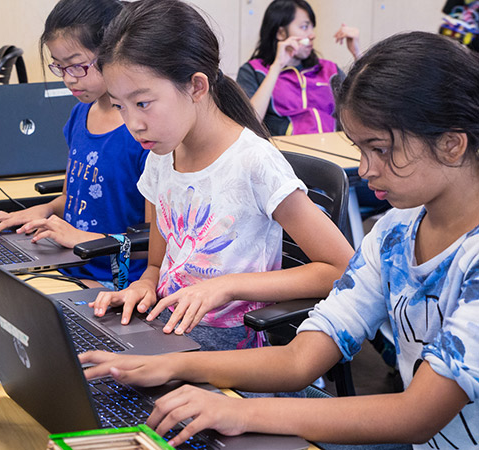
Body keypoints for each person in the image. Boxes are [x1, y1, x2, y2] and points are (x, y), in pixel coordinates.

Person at [81, 31, 479, 448]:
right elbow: (299, 359)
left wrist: (241, 411)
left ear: (451, 144)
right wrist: (168, 367)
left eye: (379, 149)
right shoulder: (394, 233)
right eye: (361, 149)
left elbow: (416, 415)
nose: (365, 169)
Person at [89, 0, 353, 351]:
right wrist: (144, 284)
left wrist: (228, 286)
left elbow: (340, 268)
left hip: (232, 348)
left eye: (143, 103)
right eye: (120, 106)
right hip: (168, 327)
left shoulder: (254, 162)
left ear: (197, 86)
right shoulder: (161, 153)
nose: (132, 124)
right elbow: (157, 263)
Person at [0, 0, 150, 289]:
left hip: (114, 280)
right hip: (68, 263)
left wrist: (84, 240)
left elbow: (154, 246)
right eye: (59, 67)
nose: (68, 80)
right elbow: (72, 199)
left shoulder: (143, 133)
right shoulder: (80, 114)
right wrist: (42, 210)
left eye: (77, 66)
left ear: (115, 52)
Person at [237, 0, 360, 136]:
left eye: (312, 27)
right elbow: (249, 124)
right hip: (283, 154)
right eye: (304, 27)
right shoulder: (253, 71)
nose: (312, 35)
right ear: (281, 33)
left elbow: (363, 111)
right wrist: (277, 66)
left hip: (331, 150)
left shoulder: (329, 70)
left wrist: (357, 55)